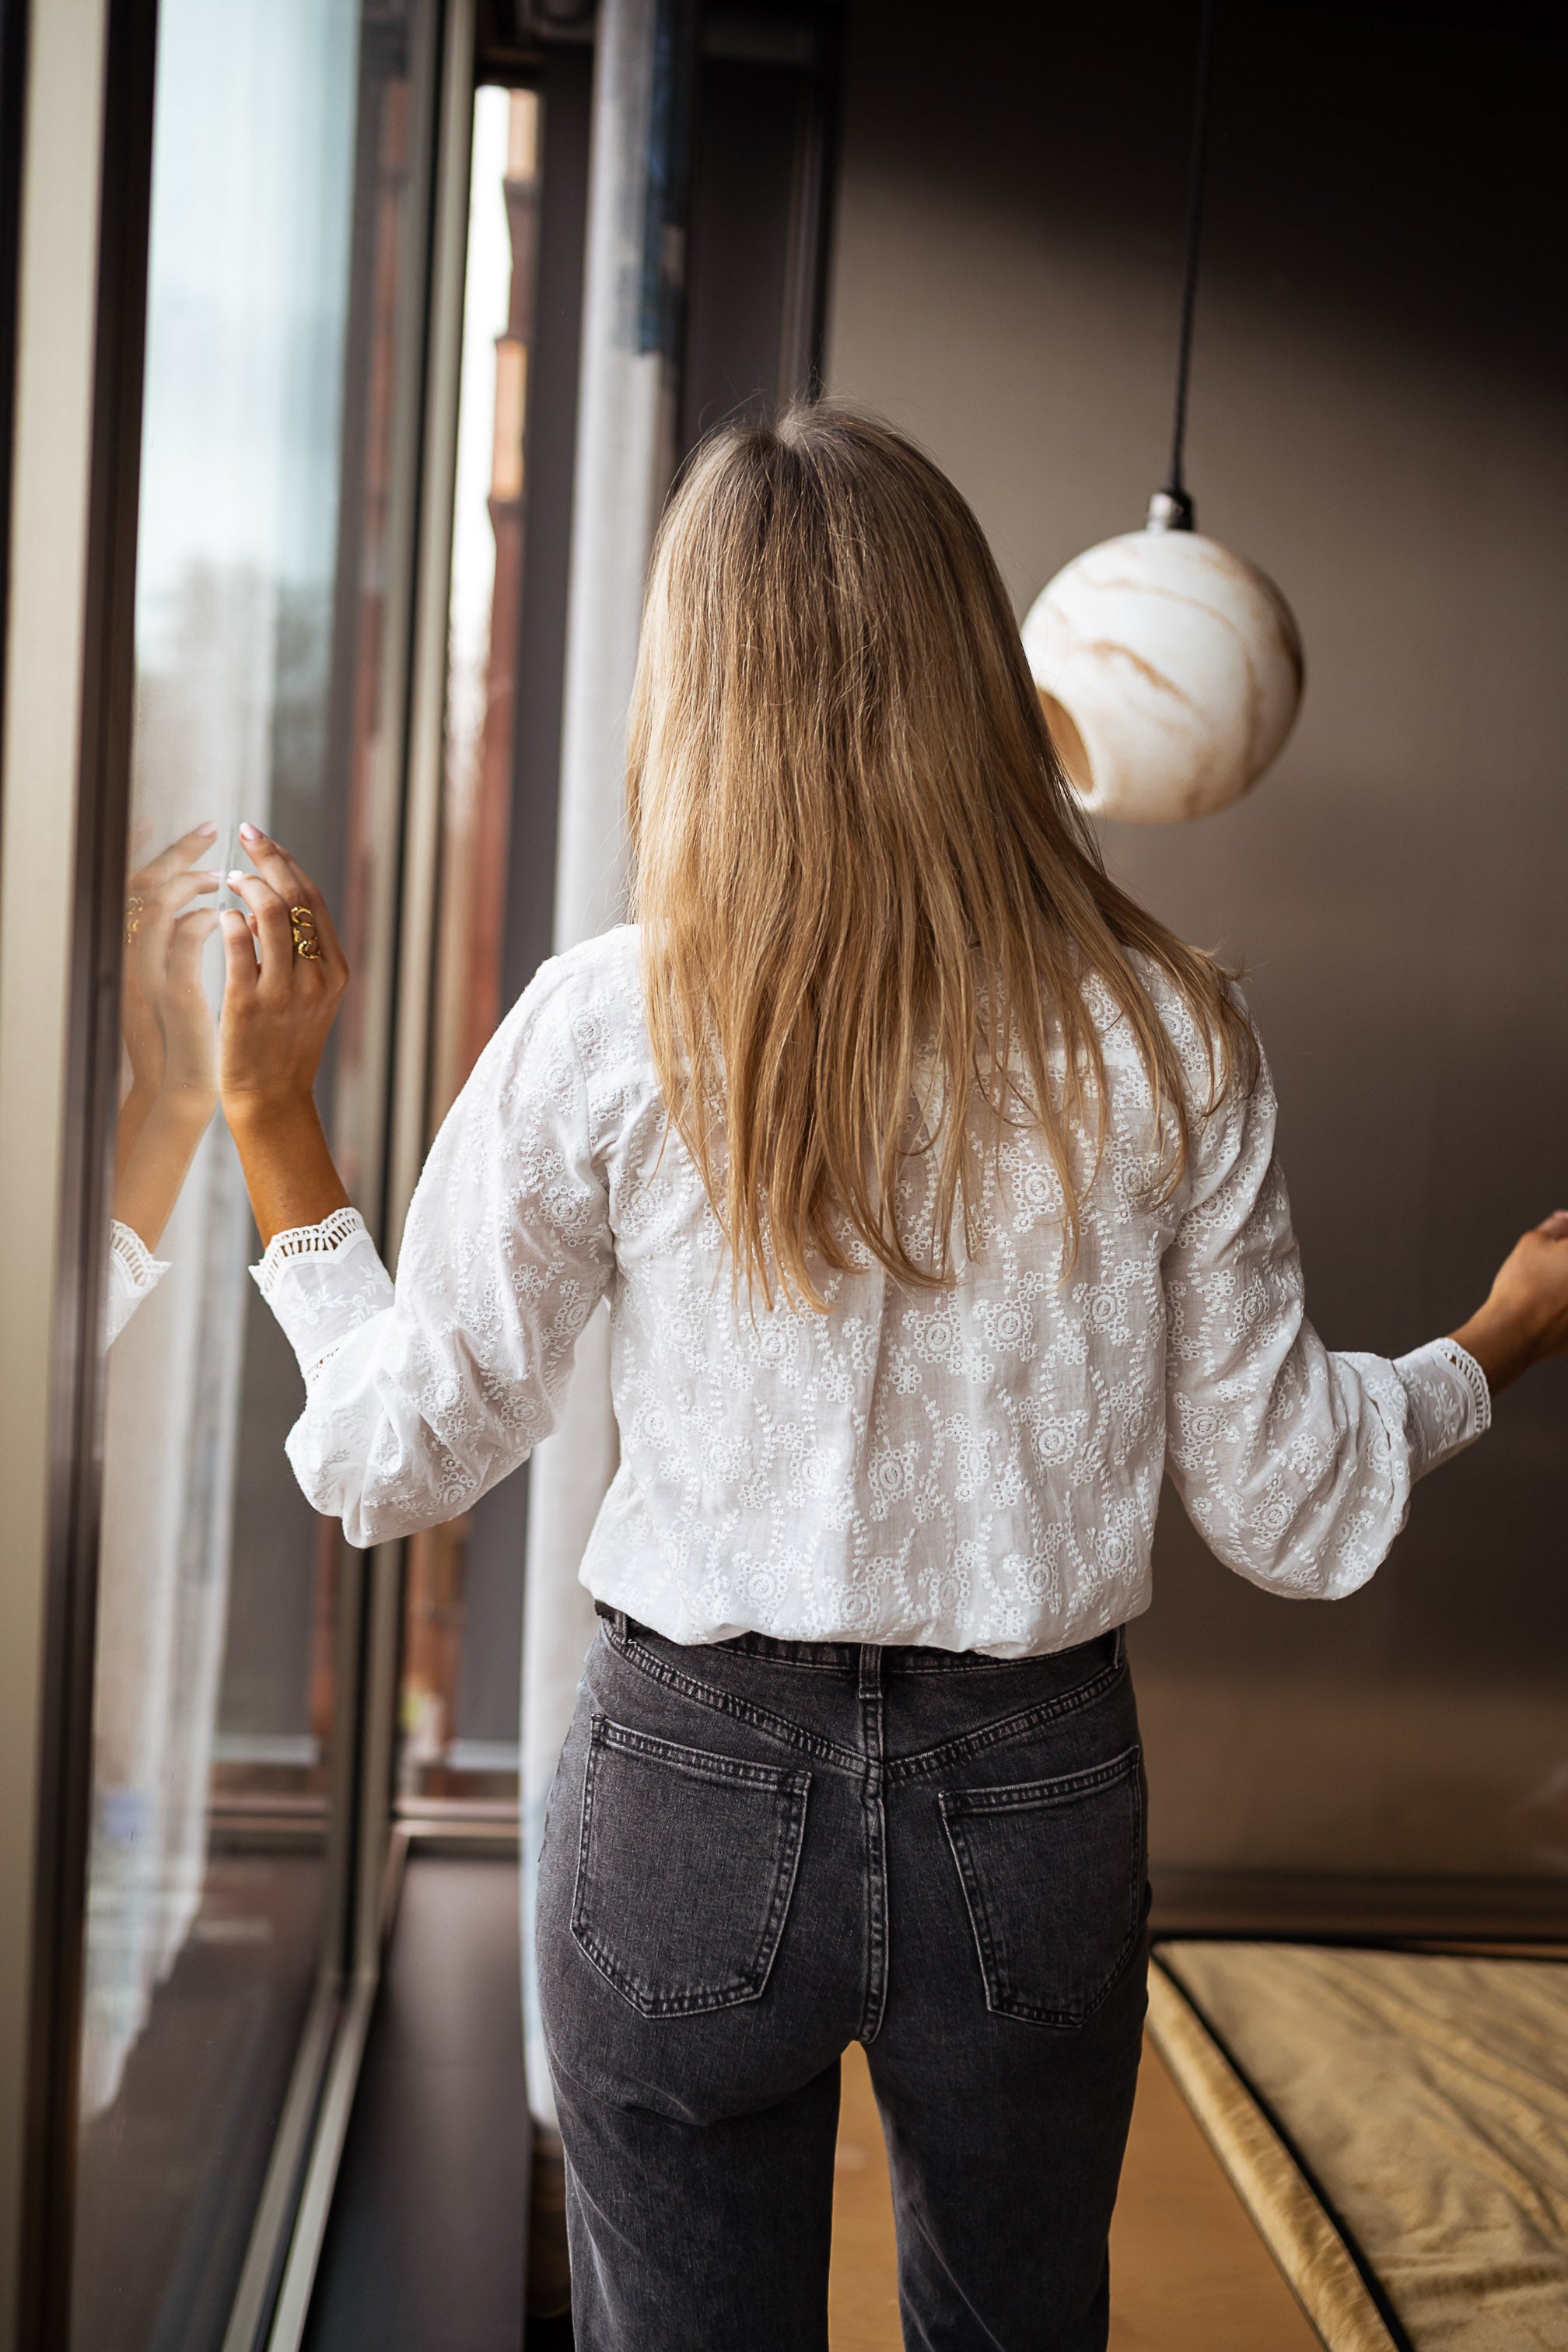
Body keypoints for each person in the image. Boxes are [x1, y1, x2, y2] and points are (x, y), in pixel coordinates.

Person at [219, 407, 1568, 2352]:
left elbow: (394, 1462)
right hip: (1034, 1805)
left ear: (691, 687)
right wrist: (1492, 1345)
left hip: (683, 1792)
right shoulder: (1171, 1031)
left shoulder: (612, 1021)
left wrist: (276, 1125)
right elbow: (1287, 1507)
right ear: (977, 666)